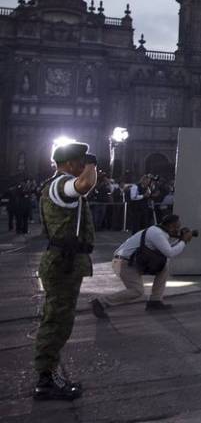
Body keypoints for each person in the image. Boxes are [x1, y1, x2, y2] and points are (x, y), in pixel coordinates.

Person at [32, 141, 97, 401]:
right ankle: (45, 379)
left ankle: (48, 373)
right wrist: (92, 164)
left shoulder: (58, 185)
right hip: (62, 263)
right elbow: (85, 184)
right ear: (69, 164)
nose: (84, 165)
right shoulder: (62, 184)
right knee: (56, 321)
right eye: (80, 161)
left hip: (63, 261)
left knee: (59, 318)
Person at [90, 214, 195, 318]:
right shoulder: (157, 234)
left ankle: (155, 301)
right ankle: (100, 302)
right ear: (171, 226)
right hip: (124, 263)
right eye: (178, 227)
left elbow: (166, 249)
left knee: (163, 267)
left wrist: (180, 240)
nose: (179, 230)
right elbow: (170, 253)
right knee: (137, 291)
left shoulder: (158, 231)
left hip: (134, 262)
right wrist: (183, 241)